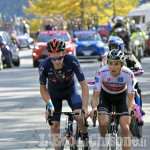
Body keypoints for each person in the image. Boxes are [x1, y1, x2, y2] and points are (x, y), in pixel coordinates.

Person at [38, 38, 90, 150]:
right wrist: (49, 104)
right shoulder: (44, 65)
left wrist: (84, 107)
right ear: (48, 55)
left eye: (60, 57)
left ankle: (85, 136)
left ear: (64, 53)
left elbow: (84, 85)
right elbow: (42, 88)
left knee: (79, 117)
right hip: (54, 95)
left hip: (70, 91)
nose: (57, 61)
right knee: (54, 125)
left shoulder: (72, 60)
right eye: (53, 57)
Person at [90, 50, 135, 150]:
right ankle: (103, 139)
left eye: (116, 64)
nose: (113, 67)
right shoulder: (101, 72)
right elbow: (95, 96)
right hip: (105, 97)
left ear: (122, 64)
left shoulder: (128, 74)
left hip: (121, 98)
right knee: (102, 123)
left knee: (125, 129)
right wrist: (93, 108)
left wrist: (130, 108)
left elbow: (131, 97)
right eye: (110, 63)